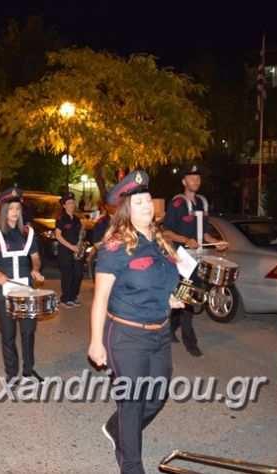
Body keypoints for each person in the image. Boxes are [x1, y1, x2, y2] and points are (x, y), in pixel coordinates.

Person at [88, 170, 184, 474]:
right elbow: (101, 298)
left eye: (148, 201)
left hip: (159, 334)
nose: (147, 206)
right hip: (127, 337)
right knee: (132, 404)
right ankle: (131, 464)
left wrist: (169, 300)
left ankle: (116, 428)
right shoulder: (114, 248)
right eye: (139, 202)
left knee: (156, 397)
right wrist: (95, 342)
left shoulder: (160, 242)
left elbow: (160, 283)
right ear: (126, 208)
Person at [0, 186, 45, 382]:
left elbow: (36, 257)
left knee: (29, 331)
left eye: (18, 208)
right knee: (8, 334)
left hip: (26, 289)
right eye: (11, 208)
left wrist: (35, 268)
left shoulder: (27, 232)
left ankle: (28, 369)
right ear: (3, 210)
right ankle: (12, 373)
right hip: (4, 291)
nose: (15, 212)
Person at [163, 163, 228, 357]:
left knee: (190, 297)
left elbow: (205, 233)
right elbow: (166, 232)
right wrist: (185, 240)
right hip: (182, 259)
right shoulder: (177, 204)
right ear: (184, 182)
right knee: (187, 299)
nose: (196, 181)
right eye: (192, 178)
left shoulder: (202, 203)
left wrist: (216, 242)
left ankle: (169, 328)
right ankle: (190, 342)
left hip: (198, 258)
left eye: (198, 178)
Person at [55, 192, 84, 307]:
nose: (72, 205)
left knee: (78, 274)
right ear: (64, 205)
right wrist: (71, 246)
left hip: (76, 249)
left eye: (73, 202)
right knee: (68, 274)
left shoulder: (77, 219)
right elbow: (58, 235)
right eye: (69, 203)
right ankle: (65, 298)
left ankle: (74, 296)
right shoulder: (61, 218)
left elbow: (80, 234)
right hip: (65, 251)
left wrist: (80, 244)